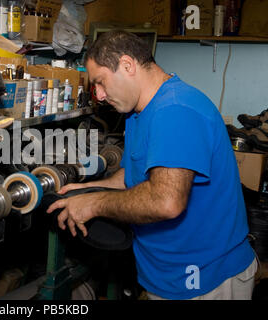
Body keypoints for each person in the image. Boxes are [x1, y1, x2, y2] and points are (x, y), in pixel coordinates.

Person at [47, 30, 257, 300]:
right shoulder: (140, 112)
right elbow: (133, 176)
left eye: (100, 82)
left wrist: (94, 204)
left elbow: (165, 201)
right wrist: (86, 190)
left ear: (127, 65)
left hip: (205, 279)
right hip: (167, 275)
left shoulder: (175, 111)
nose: (98, 95)